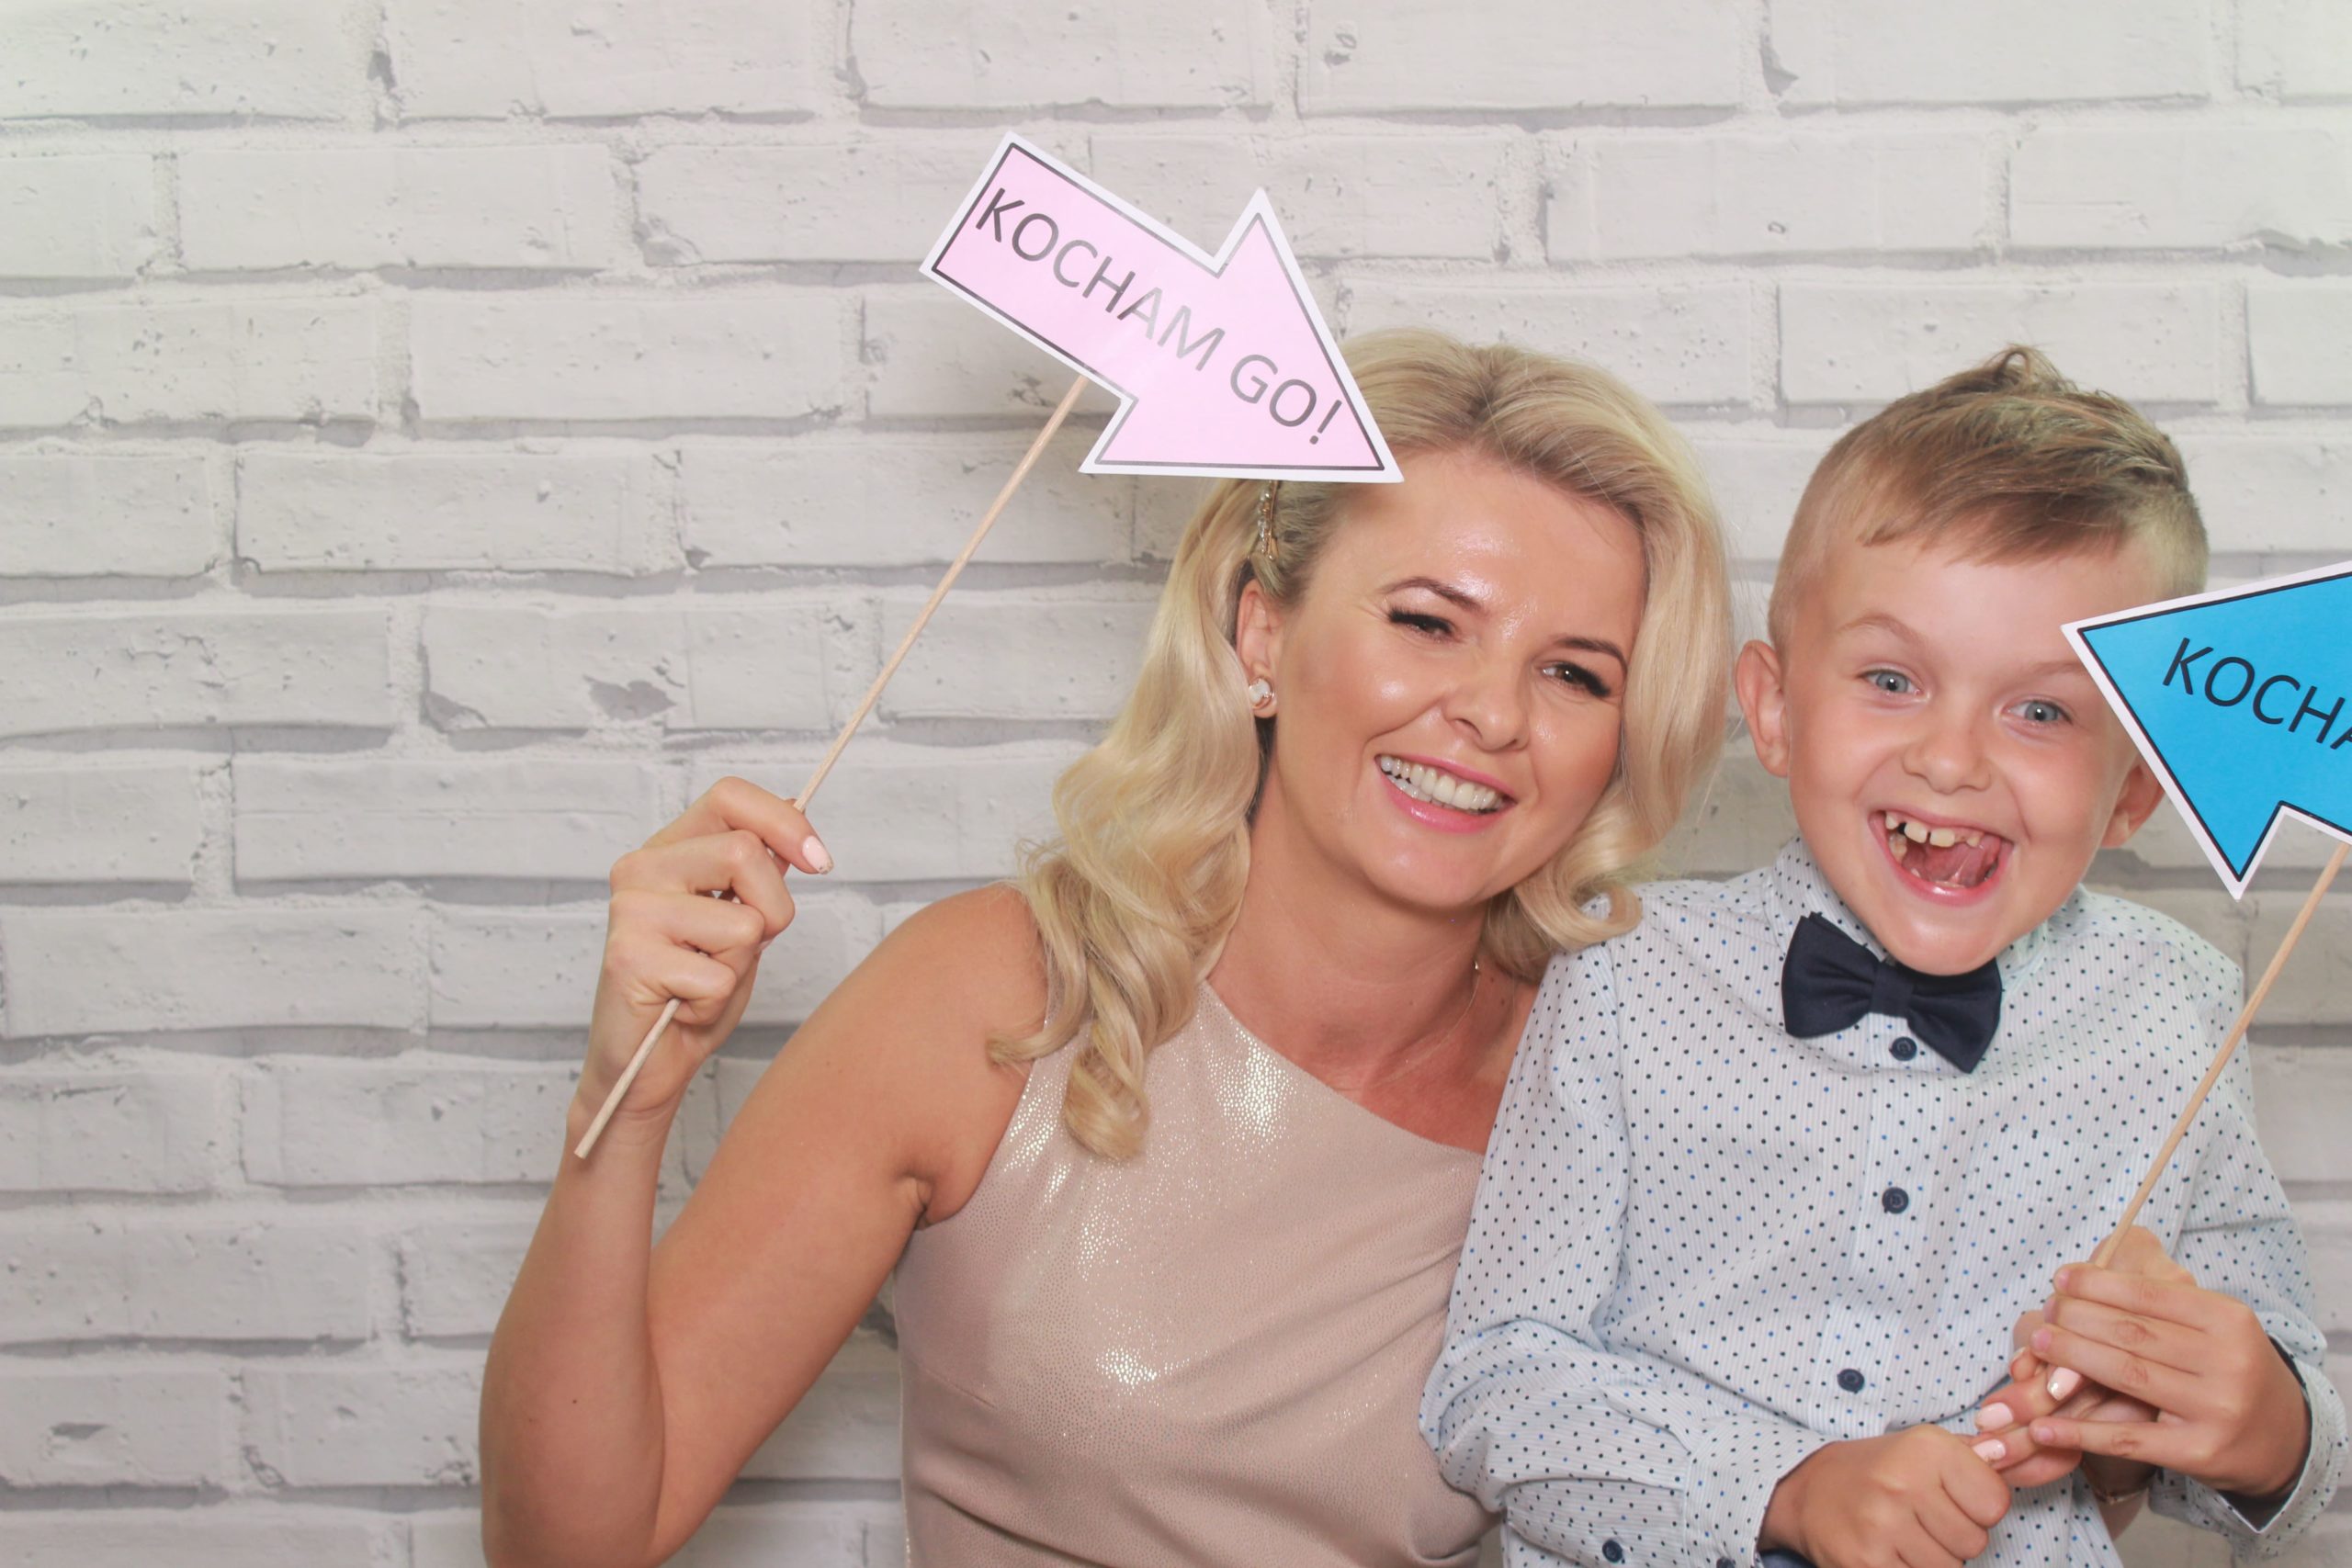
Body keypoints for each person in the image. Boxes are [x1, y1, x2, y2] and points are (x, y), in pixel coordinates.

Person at [478, 327, 1736, 1568]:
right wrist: (623, 1107)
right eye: (1426, 622)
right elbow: (570, 1546)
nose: (1494, 714)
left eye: (1575, 675)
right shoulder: (995, 998)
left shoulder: (1628, 1081)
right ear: (1261, 635)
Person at [1422, 346, 2347, 1568]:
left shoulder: (2176, 1011)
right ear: (1774, 710)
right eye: (1894, 679)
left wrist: (2268, 1428)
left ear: (2133, 791)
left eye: (2042, 711)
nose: (1952, 761)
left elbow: (2276, 1407)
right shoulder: (1625, 975)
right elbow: (1494, 1383)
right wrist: (1784, 1491)